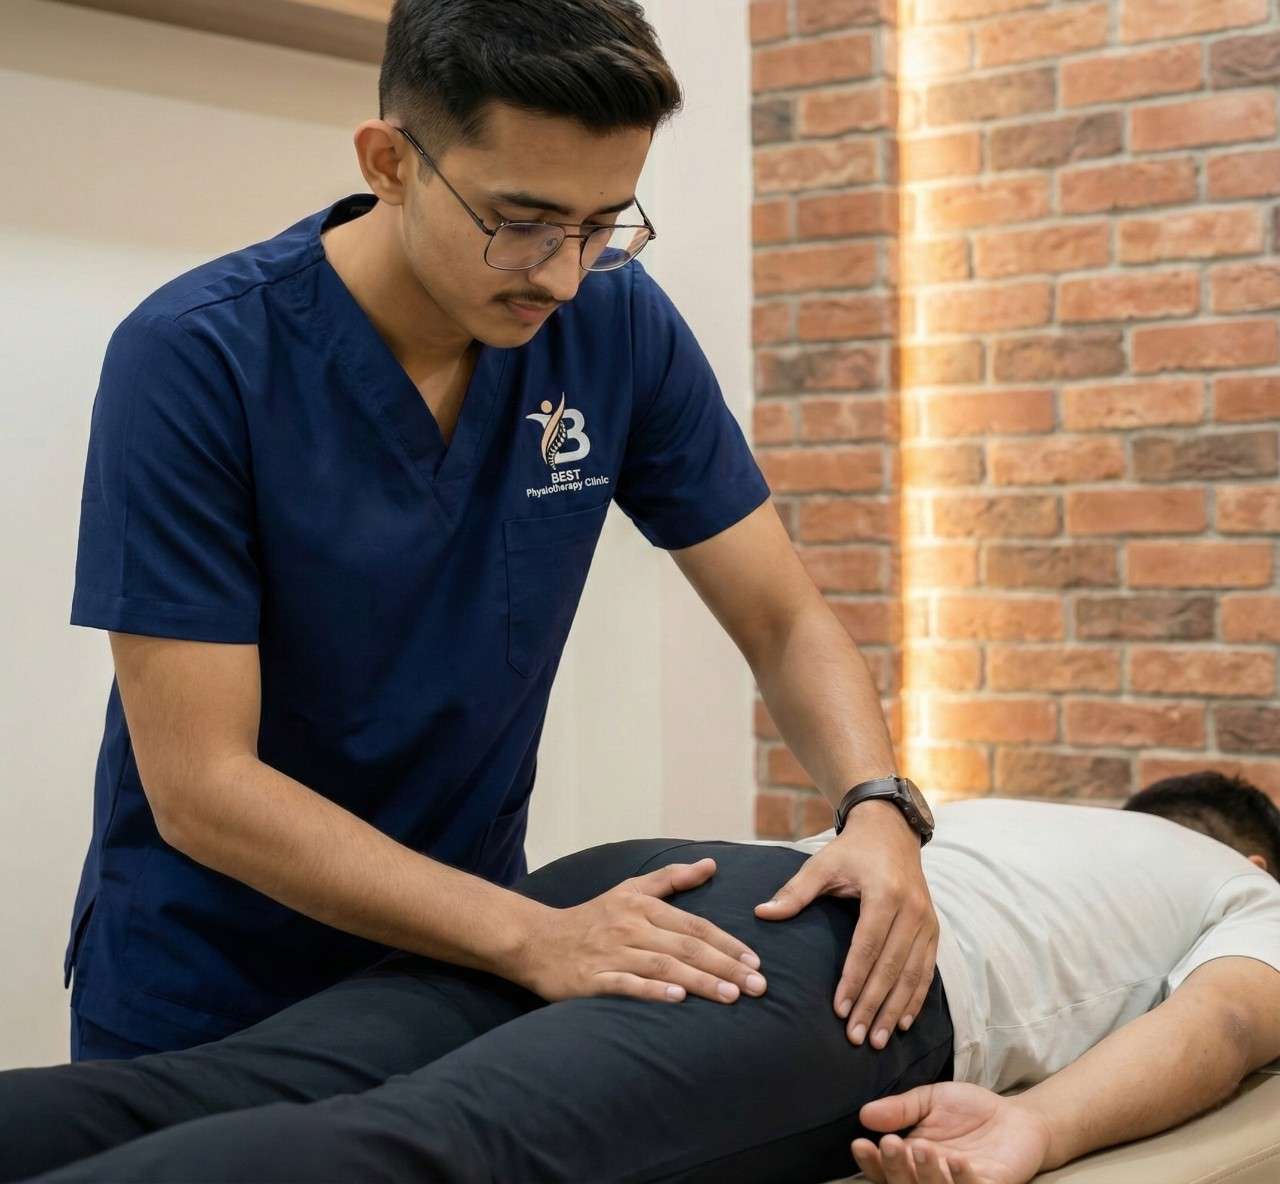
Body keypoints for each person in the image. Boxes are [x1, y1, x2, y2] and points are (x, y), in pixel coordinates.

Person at [62, 0, 936, 1066]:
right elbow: (202, 786)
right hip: (210, 991)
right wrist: (536, 932)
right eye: (520, 223)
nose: (562, 273)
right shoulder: (196, 359)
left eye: (602, 222)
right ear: (390, 161)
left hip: (453, 981)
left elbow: (779, 614)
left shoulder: (612, 322)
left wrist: (875, 806)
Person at [5, 772, 1278, 1184]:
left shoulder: (1024, 815)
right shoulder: (1245, 891)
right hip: (826, 966)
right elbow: (1225, 1020)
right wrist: (1032, 1128)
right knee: (423, 1147)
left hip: (646, 879)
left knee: (210, 1082)